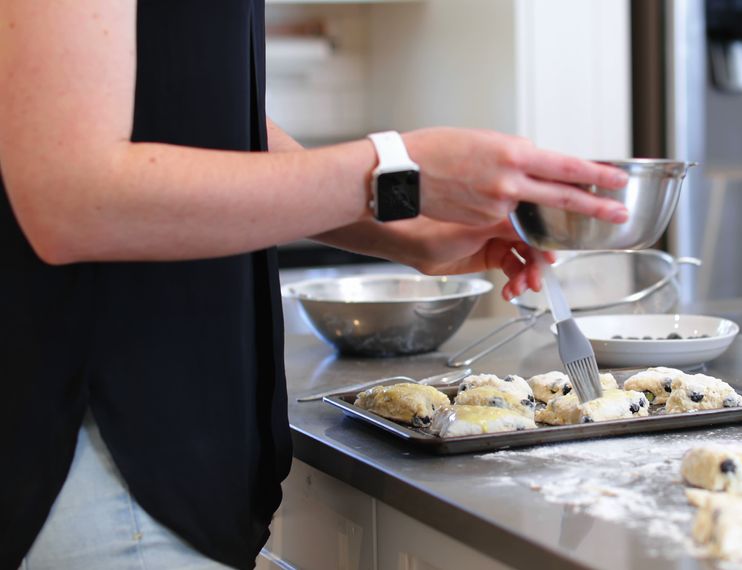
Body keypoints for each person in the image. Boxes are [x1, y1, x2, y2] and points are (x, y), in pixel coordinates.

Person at [0, 1, 628, 568]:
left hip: (174, 464)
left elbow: (204, 116)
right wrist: (398, 170)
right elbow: (70, 198)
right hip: (103, 463)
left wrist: (404, 225)